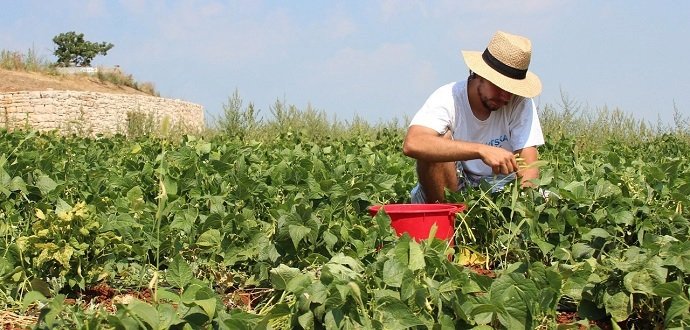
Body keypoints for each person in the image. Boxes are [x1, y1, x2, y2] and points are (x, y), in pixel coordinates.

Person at [403, 30, 545, 203]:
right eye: (499, 87)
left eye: (512, 90)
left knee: (548, 201)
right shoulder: (449, 97)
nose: (506, 97)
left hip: (499, 185)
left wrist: (522, 209)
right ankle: (446, 216)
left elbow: (528, 168)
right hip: (454, 182)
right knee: (438, 141)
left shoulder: (520, 103)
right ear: (479, 74)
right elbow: (413, 143)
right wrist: (481, 150)